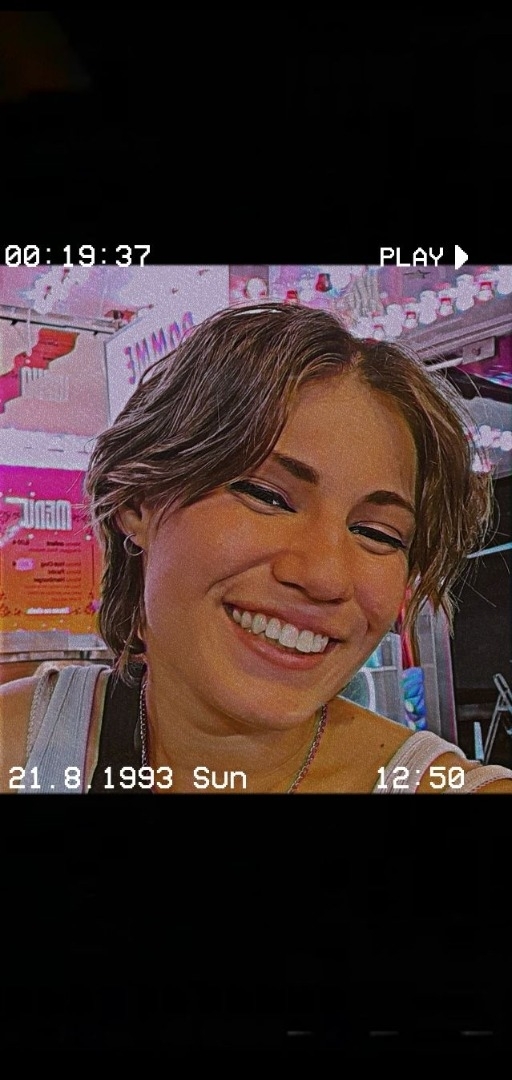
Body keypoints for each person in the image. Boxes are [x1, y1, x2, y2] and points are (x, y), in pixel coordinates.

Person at [1, 300, 512, 795]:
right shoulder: (22, 744)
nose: (325, 576)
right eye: (268, 496)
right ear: (138, 501)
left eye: (378, 533)